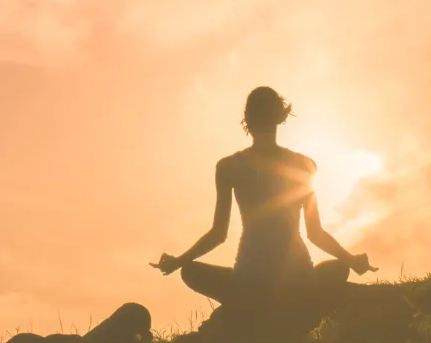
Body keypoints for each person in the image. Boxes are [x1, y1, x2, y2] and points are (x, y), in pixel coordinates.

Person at [152, 86, 375, 306]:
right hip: (299, 279)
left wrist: (179, 261)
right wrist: (351, 260)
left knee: (190, 271)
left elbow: (218, 235)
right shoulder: (305, 165)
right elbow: (315, 233)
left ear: (247, 120)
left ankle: (247, 306)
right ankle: (303, 299)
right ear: (280, 117)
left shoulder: (229, 167)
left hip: (250, 282)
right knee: (337, 269)